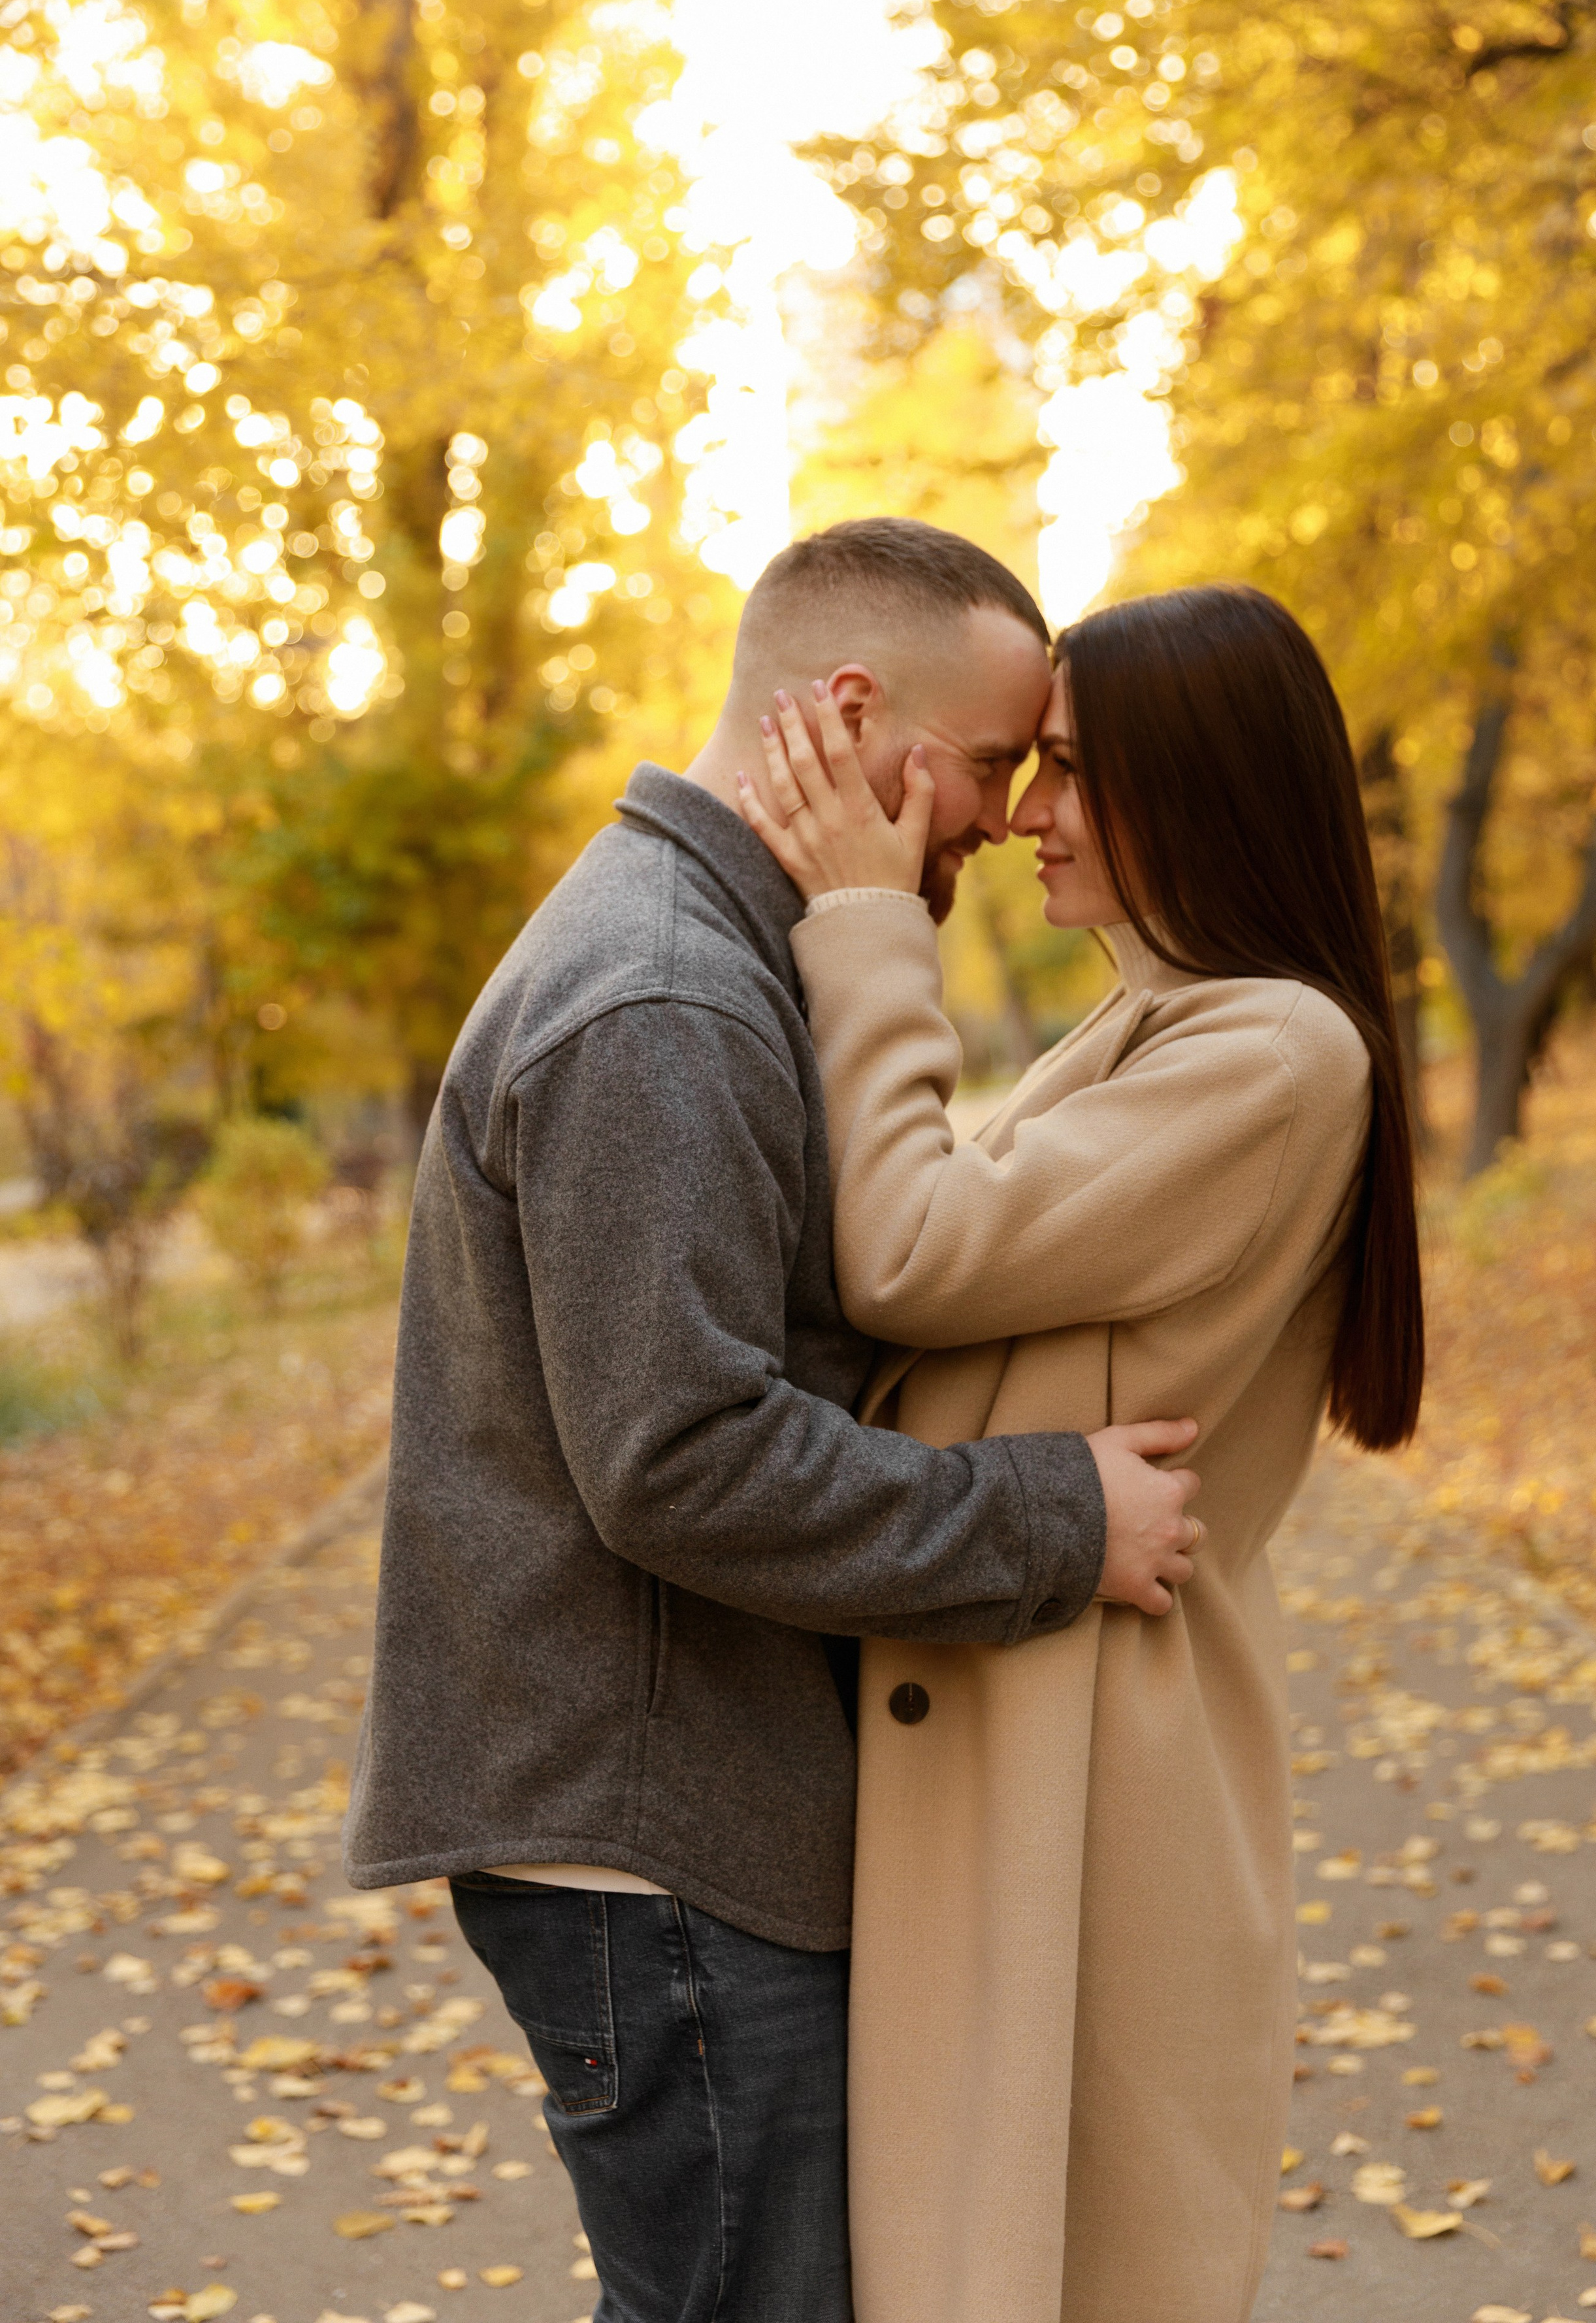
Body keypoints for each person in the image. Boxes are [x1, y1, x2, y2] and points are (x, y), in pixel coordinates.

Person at [342, 519, 1206, 2323]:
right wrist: (1058, 1519)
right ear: (847, 711)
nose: (996, 812)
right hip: (656, 1835)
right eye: (983, 763)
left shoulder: (729, 958)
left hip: (686, 1808)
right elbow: (686, 1458)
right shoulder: (662, 995)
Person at [739, 580, 1424, 2323]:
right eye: (1031, 768)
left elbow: (906, 1246)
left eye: (1067, 774)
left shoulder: (1273, 1050)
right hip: (1034, 1727)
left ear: (1195, 788)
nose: (1028, 817)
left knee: (1062, 2269)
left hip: (1100, 1772)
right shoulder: (1153, 1024)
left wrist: (866, 918)